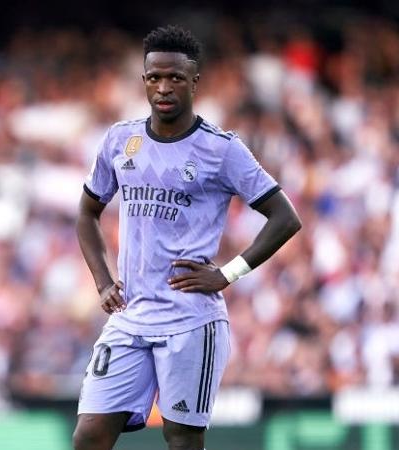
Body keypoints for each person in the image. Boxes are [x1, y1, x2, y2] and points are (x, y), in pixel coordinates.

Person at [73, 25, 302, 450]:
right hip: (130, 316)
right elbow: (87, 212)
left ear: (195, 81)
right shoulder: (121, 140)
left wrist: (228, 273)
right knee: (89, 435)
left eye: (175, 77)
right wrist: (103, 281)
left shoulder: (222, 150)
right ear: (143, 81)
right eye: (154, 77)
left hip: (190, 320)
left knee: (181, 440)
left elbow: (285, 218)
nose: (163, 87)